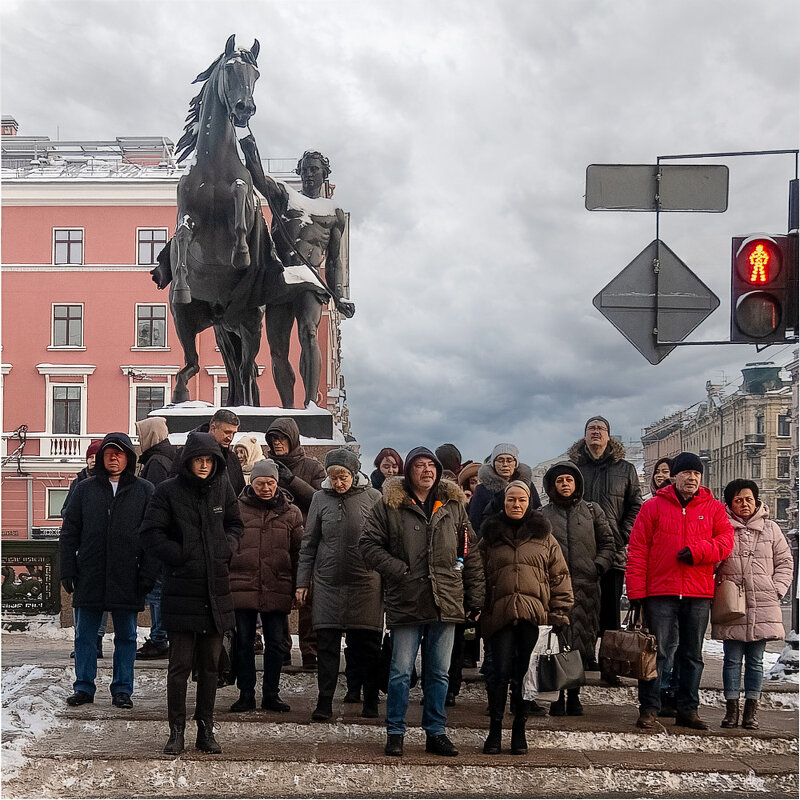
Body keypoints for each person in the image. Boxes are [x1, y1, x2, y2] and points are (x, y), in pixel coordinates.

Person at [360, 447, 484, 758]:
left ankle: (436, 732)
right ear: (408, 470)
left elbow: (470, 553)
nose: (427, 470)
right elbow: (368, 544)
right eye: (420, 465)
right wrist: (397, 569)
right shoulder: (390, 504)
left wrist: (474, 594)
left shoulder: (454, 505)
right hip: (407, 598)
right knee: (401, 670)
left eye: (432, 465)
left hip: (446, 599)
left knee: (439, 672)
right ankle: (396, 732)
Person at [140, 432, 243, 755]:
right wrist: (181, 554)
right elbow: (151, 533)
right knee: (179, 666)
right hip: (182, 589)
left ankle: (206, 729)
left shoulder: (222, 486)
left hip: (215, 589)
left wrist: (226, 548)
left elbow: (235, 524)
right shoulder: (167, 491)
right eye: (199, 459)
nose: (204, 465)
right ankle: (177, 730)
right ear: (187, 461)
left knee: (211, 667)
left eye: (210, 460)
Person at [240, 135, 354, 408]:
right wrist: (247, 142)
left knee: (309, 333)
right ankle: (289, 408)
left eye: (314, 169)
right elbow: (257, 177)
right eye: (304, 169)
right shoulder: (285, 197)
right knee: (278, 350)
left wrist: (340, 296)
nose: (309, 174)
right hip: (280, 279)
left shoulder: (333, 213)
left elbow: (336, 261)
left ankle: (310, 403)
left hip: (310, 280)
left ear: (325, 174)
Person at [626, 452, 734, 731]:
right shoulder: (653, 507)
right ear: (674, 476)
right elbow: (638, 550)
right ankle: (649, 708)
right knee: (657, 653)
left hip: (698, 593)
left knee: (692, 655)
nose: (692, 477)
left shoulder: (713, 508)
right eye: (686, 473)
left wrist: (698, 552)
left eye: (696, 473)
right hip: (660, 592)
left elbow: (725, 542)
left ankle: (688, 709)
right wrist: (637, 592)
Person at [59, 433, 158, 709]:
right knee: (85, 635)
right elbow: (69, 533)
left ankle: (123, 690)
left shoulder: (145, 490)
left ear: (129, 457)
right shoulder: (85, 489)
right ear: (101, 458)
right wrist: (68, 568)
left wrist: (147, 574)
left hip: (128, 575)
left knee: (126, 636)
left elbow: (153, 536)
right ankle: (84, 687)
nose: (114, 458)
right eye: (108, 453)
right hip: (89, 573)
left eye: (120, 453)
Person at [480, 481, 573, 755]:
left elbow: (560, 576)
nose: (516, 505)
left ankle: (519, 730)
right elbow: (476, 575)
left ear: (529, 502)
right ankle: (495, 731)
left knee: (525, 675)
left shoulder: (544, 536)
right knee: (498, 674)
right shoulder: (490, 536)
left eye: (522, 500)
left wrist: (559, 611)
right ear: (503, 502)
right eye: (511, 500)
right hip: (499, 615)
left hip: (534, 617)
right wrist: (477, 606)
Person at [296, 448, 383, 721]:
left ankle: (369, 699)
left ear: (354, 475)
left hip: (365, 582)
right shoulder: (320, 499)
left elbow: (385, 541)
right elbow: (308, 544)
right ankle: (324, 703)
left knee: (366, 645)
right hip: (328, 582)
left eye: (343, 476)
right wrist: (302, 582)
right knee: (327, 646)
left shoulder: (374, 498)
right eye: (333, 477)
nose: (339, 483)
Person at [713, 479, 793, 730]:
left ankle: (751, 711)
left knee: (756, 660)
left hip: (763, 604)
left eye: (748, 499)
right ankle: (731, 710)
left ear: (756, 500)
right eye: (738, 500)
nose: (744, 504)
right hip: (730, 605)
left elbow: (785, 563)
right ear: (729, 504)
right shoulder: (721, 528)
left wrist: (776, 590)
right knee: (732, 659)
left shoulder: (771, 529)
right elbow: (712, 560)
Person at [568, 417, 642, 684]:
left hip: (613, 551)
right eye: (591, 429)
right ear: (584, 436)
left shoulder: (625, 469)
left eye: (601, 429)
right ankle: (581, 660)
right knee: (579, 607)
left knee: (610, 610)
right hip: (579, 550)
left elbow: (636, 506)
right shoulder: (574, 468)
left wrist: (621, 536)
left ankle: (609, 666)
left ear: (609, 436)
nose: (596, 432)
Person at [229, 459, 303, 713]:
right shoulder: (236, 509)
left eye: (271, 483)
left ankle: (271, 693)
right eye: (261, 483)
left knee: (276, 643)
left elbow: (298, 552)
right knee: (244, 642)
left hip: (277, 584)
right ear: (252, 483)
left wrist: (298, 585)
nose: (266, 488)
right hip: (242, 584)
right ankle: (245, 693)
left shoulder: (291, 513)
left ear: (277, 483)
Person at [540, 462, 614, 716]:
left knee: (582, 641)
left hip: (586, 587)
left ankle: (575, 695)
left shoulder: (593, 512)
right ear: (552, 486)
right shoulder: (543, 515)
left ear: (577, 484)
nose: (565, 484)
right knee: (557, 642)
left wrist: (598, 567)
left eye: (569, 480)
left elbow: (607, 543)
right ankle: (556, 695)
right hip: (554, 589)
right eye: (560, 481)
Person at [266, 418, 325, 669]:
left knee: (309, 598)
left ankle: (310, 650)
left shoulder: (312, 466)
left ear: (292, 438)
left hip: (307, 542)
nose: (277, 443)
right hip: (276, 540)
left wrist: (291, 480)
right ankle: (282, 649)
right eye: (273, 439)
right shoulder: (266, 465)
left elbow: (321, 500)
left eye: (282, 438)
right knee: (279, 598)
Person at [135, 416, 177, 661]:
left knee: (157, 590)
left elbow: (153, 502)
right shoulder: (163, 458)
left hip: (158, 536)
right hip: (166, 534)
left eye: (141, 435)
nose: (139, 440)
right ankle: (160, 636)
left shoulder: (156, 462)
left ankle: (159, 638)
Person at [62, 438, 106, 661]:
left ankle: (97, 641)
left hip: (102, 549)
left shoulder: (108, 483)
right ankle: (82, 639)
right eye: (89, 457)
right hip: (82, 548)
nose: (92, 461)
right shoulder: (78, 482)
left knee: (102, 602)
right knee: (81, 600)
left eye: (95, 457)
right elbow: (66, 511)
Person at [468, 443, 542, 532]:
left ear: (515, 464)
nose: (505, 464)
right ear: (493, 464)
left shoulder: (527, 485)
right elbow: (475, 520)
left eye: (509, 460)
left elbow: (537, 512)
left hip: (525, 536)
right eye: (500, 460)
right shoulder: (482, 489)